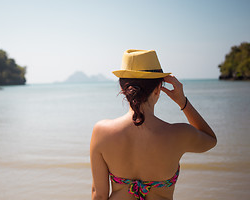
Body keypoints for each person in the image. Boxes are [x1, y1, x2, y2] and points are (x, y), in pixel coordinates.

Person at [90, 49, 217, 200]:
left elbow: (99, 195)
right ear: (158, 89)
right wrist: (182, 102)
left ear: (123, 89)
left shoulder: (101, 131)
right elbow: (210, 139)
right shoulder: (179, 133)